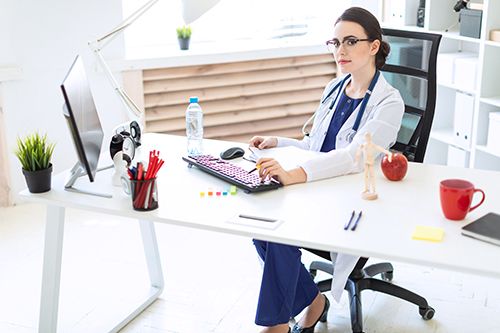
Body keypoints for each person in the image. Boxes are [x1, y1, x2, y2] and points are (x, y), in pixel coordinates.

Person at [249, 7, 404, 333]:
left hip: (354, 204)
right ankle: (313, 301)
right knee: (261, 223)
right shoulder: (334, 89)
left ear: (374, 46)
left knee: (279, 232)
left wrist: (296, 174)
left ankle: (275, 326)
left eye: (350, 41)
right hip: (319, 188)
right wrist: (276, 142)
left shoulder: (389, 102)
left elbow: (353, 157)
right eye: (335, 42)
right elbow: (315, 146)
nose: (340, 51)